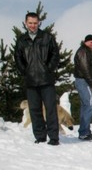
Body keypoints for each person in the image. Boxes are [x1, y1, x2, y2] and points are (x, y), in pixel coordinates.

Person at [14, 12, 61, 146]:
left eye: (35, 23)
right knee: (34, 110)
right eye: (30, 23)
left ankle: (53, 137)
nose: (33, 26)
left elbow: (55, 55)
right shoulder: (22, 40)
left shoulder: (47, 38)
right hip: (31, 81)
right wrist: (25, 71)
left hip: (46, 80)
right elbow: (18, 58)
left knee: (51, 109)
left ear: (39, 23)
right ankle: (40, 136)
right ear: (25, 23)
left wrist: (48, 68)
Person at [73, 34, 92, 141]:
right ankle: (84, 132)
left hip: (84, 81)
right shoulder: (83, 52)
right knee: (89, 105)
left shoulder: (87, 52)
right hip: (83, 81)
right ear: (85, 42)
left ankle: (85, 131)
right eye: (90, 42)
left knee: (86, 106)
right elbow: (85, 69)